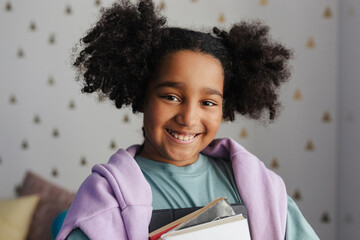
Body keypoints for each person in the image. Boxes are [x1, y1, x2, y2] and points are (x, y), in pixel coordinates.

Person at [56, 0, 319, 239]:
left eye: (208, 103)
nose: (188, 117)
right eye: (171, 97)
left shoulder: (261, 188)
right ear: (141, 95)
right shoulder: (105, 197)